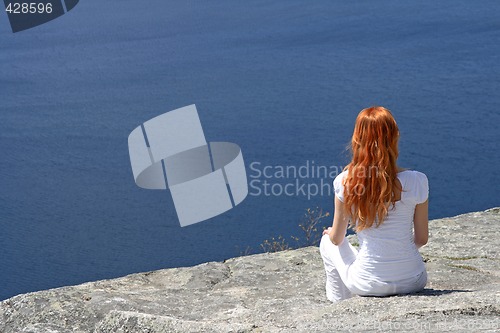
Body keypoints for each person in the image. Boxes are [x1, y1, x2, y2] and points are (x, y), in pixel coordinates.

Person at [319, 106, 429, 302]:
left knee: (327, 241)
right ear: (394, 138)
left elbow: (337, 238)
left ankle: (339, 306)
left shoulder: (345, 182)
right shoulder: (418, 181)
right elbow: (421, 239)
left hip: (367, 283)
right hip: (414, 279)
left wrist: (331, 234)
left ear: (357, 140)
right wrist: (396, 255)